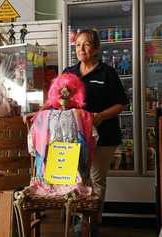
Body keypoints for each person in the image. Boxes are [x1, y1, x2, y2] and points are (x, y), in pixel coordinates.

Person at [63, 29, 129, 236]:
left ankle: (92, 221)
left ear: (96, 48)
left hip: (105, 135)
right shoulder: (69, 72)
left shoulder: (106, 73)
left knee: (97, 179)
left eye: (87, 44)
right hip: (76, 136)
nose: (81, 49)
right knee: (78, 179)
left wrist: (99, 116)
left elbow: (121, 104)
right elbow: (58, 99)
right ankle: (79, 220)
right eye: (78, 45)